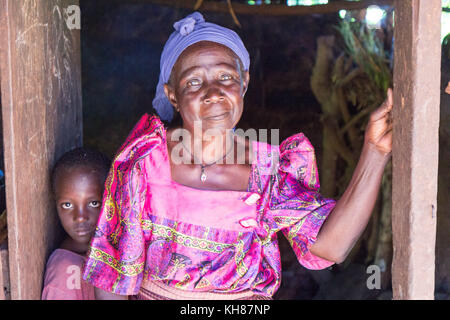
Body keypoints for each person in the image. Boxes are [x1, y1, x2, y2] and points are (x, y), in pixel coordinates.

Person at [82, 12, 393, 300]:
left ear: (244, 82)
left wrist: (375, 151)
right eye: (193, 81)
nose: (213, 91)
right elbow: (112, 275)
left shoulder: (270, 171)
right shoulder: (144, 162)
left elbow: (330, 247)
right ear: (172, 94)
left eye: (226, 77)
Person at [42, 148, 111, 300]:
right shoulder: (65, 270)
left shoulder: (122, 253)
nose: (80, 217)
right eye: (67, 205)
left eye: (93, 203)